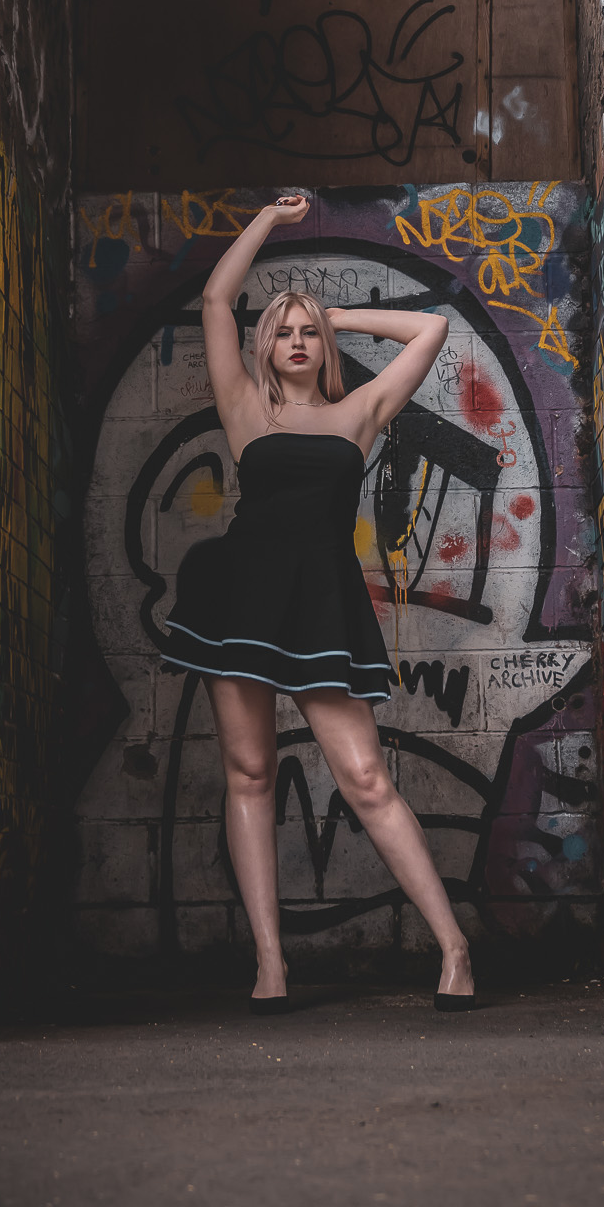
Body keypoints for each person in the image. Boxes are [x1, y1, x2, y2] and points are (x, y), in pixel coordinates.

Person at [165, 193, 476, 1014]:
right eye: (284, 331)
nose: (297, 342)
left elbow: (429, 330)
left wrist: (335, 314)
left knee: (366, 778)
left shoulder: (358, 413)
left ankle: (453, 948)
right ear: (264, 346)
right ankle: (271, 964)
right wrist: (268, 222)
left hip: (320, 604)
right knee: (250, 772)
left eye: (307, 333)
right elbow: (215, 299)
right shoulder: (245, 407)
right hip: (241, 599)